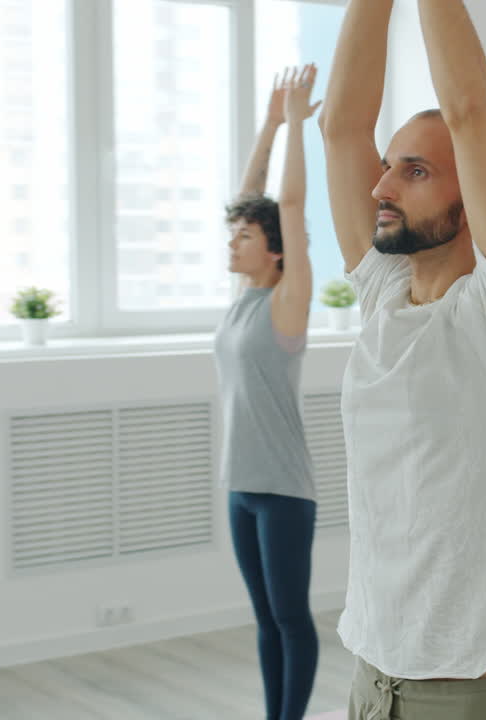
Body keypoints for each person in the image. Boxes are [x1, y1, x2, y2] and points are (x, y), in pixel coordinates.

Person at [319, 1, 486, 717]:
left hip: (469, 693)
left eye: (416, 171)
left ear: (477, 190)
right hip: (372, 675)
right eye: (388, 167)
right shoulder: (384, 295)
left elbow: (469, 112)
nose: (381, 187)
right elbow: (340, 128)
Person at [215, 64, 320, 720]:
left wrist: (299, 128)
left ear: (277, 251)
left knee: (290, 618)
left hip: (283, 490)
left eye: (246, 237)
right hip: (240, 486)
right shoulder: (243, 298)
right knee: (263, 619)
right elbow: (250, 198)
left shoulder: (287, 303)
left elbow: (289, 207)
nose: (233, 241)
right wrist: (269, 123)